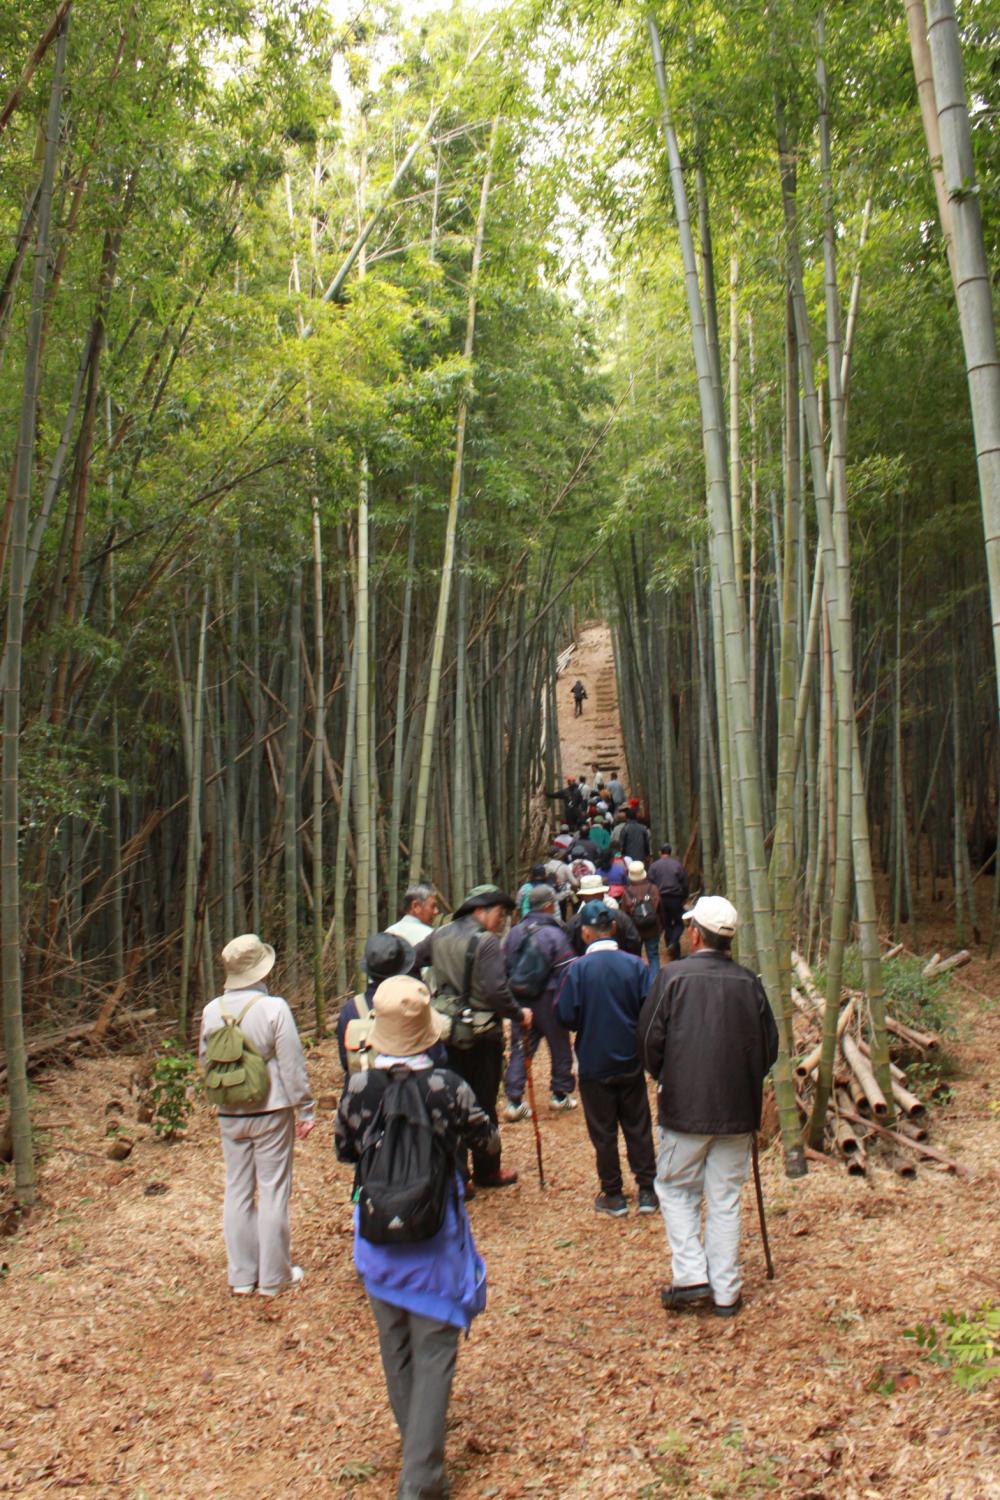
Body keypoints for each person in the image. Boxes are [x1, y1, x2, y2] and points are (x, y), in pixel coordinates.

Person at [335, 976, 497, 1500]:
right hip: (435, 1231)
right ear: (428, 1032)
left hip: (377, 1232)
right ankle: (421, 1477)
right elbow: (486, 1139)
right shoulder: (447, 1086)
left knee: (396, 1345)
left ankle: (417, 1451)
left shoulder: (359, 1088)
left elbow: (345, 1149)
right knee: (434, 1348)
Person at [638, 895, 779, 1318]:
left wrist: (669, 1075)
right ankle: (726, 1292)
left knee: (675, 1189)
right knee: (724, 1198)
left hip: (685, 1109)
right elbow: (769, 1048)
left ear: (696, 933)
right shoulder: (749, 982)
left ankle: (691, 1277)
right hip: (738, 1111)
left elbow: (648, 1042)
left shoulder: (673, 978)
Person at [199, 934, 314, 1297]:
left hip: (229, 1109)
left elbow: (205, 1061)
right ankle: (274, 1276)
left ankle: (242, 1276)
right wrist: (305, 1106)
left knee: (237, 1190)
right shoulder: (274, 1008)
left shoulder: (211, 1010)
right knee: (273, 1189)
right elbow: (291, 1063)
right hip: (271, 1106)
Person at [414, 885, 529, 1190]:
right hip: (482, 1035)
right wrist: (519, 1014)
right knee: (483, 1102)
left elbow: (412, 961)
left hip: (445, 1032)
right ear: (480, 910)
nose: (502, 921)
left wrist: (427, 996)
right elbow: (495, 990)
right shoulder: (486, 941)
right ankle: (487, 1170)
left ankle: (458, 1177)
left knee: (449, 1101)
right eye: (500, 914)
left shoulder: (439, 934)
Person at [556, 902, 657, 1217]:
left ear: (585, 933)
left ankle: (613, 1194)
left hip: (594, 1062)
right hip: (630, 1059)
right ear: (613, 928)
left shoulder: (577, 970)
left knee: (603, 1131)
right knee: (637, 1125)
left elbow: (566, 1016)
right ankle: (648, 1191)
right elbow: (649, 1011)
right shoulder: (635, 966)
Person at [502, 884, 577, 1120]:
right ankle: (559, 1095)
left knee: (521, 1047)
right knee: (560, 1046)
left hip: (521, 1001)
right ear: (548, 905)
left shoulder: (514, 932)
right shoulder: (555, 933)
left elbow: (504, 966)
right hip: (550, 998)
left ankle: (514, 1101)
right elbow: (568, 970)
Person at [338, 931, 441, 1078]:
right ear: (404, 967)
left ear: (368, 969)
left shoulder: (350, 1008)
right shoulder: (418, 1003)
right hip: (419, 1092)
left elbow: (346, 1062)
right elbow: (437, 1056)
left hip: (366, 1092)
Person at [566, 873, 642, 956]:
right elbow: (634, 941)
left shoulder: (574, 922)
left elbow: (568, 949)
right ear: (602, 894)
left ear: (583, 897)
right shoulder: (620, 916)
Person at [620, 861, 663, 975]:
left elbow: (624, 915)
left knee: (635, 958)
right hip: (652, 928)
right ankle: (655, 984)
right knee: (653, 956)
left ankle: (639, 983)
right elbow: (659, 909)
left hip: (635, 931)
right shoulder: (653, 888)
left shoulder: (627, 892)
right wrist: (662, 925)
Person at [648, 843, 690, 960]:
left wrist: (653, 900)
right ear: (670, 853)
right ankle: (673, 943)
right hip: (675, 897)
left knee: (666, 924)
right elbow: (684, 883)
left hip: (661, 898)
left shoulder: (654, 866)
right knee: (679, 922)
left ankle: (671, 947)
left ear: (660, 852)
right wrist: (684, 897)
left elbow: (650, 884)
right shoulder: (677, 865)